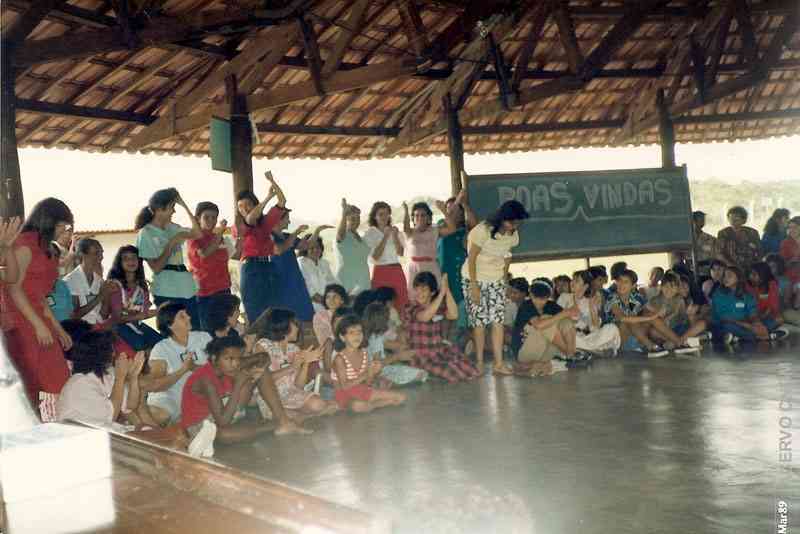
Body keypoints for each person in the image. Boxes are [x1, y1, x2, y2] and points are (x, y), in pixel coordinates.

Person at [180, 336, 310, 458]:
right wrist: (238, 383)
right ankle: (276, 424)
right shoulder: (205, 379)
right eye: (229, 359)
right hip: (201, 425)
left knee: (262, 372)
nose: (235, 364)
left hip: (222, 410)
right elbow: (222, 421)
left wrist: (249, 373)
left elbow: (263, 357)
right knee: (223, 434)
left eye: (238, 358)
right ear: (214, 359)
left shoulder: (230, 364)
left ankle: (284, 422)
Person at [6, 198, 74, 420]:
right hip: (23, 321)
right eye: (62, 226)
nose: (65, 231)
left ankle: (58, 424)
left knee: (59, 377)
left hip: (38, 319)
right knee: (39, 382)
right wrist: (38, 325)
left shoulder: (46, 249)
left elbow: (41, 297)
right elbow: (15, 290)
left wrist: (57, 328)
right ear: (49, 221)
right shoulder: (24, 244)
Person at [462, 200, 530, 375]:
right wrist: (474, 286)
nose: (514, 226)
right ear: (501, 218)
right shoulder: (482, 231)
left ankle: (498, 364)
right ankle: (478, 362)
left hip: (496, 280)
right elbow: (472, 258)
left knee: (497, 321)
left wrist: (503, 281)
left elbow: (507, 256)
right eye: (511, 222)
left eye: (517, 222)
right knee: (479, 322)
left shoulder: (513, 234)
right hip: (474, 277)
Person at [249, 308, 338, 418]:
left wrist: (306, 362)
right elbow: (262, 378)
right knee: (291, 415)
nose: (298, 328)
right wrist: (292, 367)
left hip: (291, 393)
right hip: (271, 398)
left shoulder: (294, 349)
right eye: (295, 324)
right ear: (284, 325)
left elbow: (298, 386)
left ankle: (303, 416)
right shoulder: (263, 345)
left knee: (318, 404)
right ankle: (303, 416)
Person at [135, 188, 203, 329]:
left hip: (187, 287)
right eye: (172, 207)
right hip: (166, 290)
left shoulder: (173, 227)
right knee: (173, 334)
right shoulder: (145, 233)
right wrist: (172, 243)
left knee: (195, 330)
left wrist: (183, 204)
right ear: (160, 209)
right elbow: (156, 267)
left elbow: (198, 233)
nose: (174, 211)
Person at [140, 302, 211, 426]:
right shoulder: (161, 348)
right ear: (170, 325)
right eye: (182, 316)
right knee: (160, 416)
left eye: (186, 314)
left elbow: (218, 368)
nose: (189, 317)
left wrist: (194, 367)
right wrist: (183, 370)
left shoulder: (204, 338)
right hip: (170, 398)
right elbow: (156, 385)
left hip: (201, 395)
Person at [57, 331, 145, 428]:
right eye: (111, 350)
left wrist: (134, 377)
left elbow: (130, 405)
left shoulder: (107, 374)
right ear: (99, 354)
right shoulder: (80, 383)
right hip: (81, 436)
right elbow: (112, 415)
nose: (114, 354)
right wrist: (120, 378)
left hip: (105, 432)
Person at [404, 272, 480, 383]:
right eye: (417, 289)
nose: (419, 293)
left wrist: (447, 290)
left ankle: (435, 373)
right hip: (422, 356)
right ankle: (429, 375)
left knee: (473, 371)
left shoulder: (437, 307)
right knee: (454, 375)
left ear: (432, 292)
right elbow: (424, 317)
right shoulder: (411, 307)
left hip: (440, 351)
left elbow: (454, 314)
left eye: (423, 290)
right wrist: (441, 295)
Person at [234, 171, 286, 323]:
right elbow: (250, 218)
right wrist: (268, 197)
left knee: (274, 309)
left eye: (248, 204)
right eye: (240, 206)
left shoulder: (265, 223)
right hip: (251, 269)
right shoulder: (239, 226)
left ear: (255, 204)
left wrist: (273, 181)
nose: (245, 209)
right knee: (255, 311)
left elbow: (282, 201)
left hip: (268, 266)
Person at [331, 314, 406, 413]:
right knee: (358, 405)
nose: (357, 336)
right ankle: (377, 404)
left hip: (360, 390)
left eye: (359, 332)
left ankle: (372, 404)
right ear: (342, 337)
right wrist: (367, 374)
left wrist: (373, 372)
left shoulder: (364, 353)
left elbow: (368, 383)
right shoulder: (339, 359)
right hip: (344, 394)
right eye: (351, 333)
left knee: (401, 397)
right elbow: (345, 386)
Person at [187, 201, 237, 330]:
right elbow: (204, 253)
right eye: (206, 217)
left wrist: (241, 236)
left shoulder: (220, 238)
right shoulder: (194, 237)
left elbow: (234, 255)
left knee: (226, 328)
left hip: (224, 288)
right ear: (198, 218)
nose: (211, 220)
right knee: (209, 331)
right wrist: (220, 232)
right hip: (205, 292)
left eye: (214, 217)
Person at [514, 279, 580, 377]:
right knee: (546, 319)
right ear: (531, 295)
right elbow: (539, 325)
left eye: (543, 299)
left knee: (566, 322)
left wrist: (574, 306)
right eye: (536, 298)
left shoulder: (551, 305)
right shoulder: (526, 305)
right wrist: (564, 313)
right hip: (524, 351)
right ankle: (569, 354)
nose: (539, 302)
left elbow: (573, 319)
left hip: (544, 352)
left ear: (548, 297)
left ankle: (570, 354)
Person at [104, 245, 162, 351]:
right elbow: (117, 318)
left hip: (137, 325)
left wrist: (159, 311)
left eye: (134, 258)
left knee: (161, 344)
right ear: (119, 263)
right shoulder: (115, 285)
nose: (131, 261)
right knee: (140, 345)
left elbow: (142, 314)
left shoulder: (142, 287)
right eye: (126, 258)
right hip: (117, 327)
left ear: (139, 261)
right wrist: (141, 315)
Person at [436, 188, 478, 333]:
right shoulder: (442, 224)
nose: (451, 212)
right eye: (448, 209)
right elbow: (450, 219)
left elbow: (474, 224)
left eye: (455, 209)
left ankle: (464, 337)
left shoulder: (465, 228)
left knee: (464, 306)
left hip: (461, 272)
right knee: (446, 307)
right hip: (445, 271)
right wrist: (457, 200)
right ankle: (446, 340)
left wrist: (464, 204)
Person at [603, 269, 669, 357]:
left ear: (633, 286)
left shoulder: (636, 297)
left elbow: (656, 312)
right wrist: (650, 317)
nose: (621, 284)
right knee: (629, 319)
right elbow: (622, 318)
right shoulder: (612, 298)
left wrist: (660, 312)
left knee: (648, 316)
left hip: (637, 337)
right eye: (619, 281)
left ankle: (679, 342)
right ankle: (651, 346)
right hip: (619, 341)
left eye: (625, 282)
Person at [402, 200, 458, 302]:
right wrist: (406, 211)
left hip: (431, 267)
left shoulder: (434, 230)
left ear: (428, 217)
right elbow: (405, 228)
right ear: (413, 219)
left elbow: (452, 229)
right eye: (416, 215)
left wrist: (444, 211)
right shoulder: (410, 232)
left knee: (434, 297)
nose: (419, 218)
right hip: (414, 269)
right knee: (414, 299)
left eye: (423, 215)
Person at [557, 270, 621, 356]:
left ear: (585, 286)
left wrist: (592, 306)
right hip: (572, 335)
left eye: (576, 280)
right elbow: (557, 318)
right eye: (572, 279)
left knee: (611, 328)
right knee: (571, 338)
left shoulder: (589, 301)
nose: (572, 282)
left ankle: (587, 350)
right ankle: (597, 350)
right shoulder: (564, 297)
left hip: (588, 336)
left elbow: (596, 327)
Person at [363, 301, 426, 387]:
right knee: (421, 374)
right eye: (387, 319)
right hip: (376, 371)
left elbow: (390, 344)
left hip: (369, 370)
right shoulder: (375, 337)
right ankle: (382, 382)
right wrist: (397, 356)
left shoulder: (368, 333)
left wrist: (403, 348)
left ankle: (381, 381)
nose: (388, 321)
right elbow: (376, 366)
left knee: (410, 369)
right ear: (382, 321)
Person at [644, 272, 705, 355]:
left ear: (677, 289)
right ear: (661, 287)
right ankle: (681, 343)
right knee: (652, 331)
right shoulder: (655, 300)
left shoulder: (679, 300)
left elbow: (681, 317)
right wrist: (657, 313)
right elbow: (647, 311)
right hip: (665, 331)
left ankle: (678, 341)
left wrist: (689, 314)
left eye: (673, 287)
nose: (669, 289)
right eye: (666, 286)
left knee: (702, 323)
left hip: (679, 328)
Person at [364, 201, 407, 309]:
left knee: (401, 301)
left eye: (387, 213)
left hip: (396, 270)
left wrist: (395, 236)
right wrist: (385, 236)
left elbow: (401, 253)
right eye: (380, 214)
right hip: (380, 271)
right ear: (374, 216)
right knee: (380, 305)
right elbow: (375, 257)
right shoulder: (370, 233)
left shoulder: (395, 230)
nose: (384, 217)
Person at [711, 266, 770, 344]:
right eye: (724, 276)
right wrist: (748, 326)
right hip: (725, 325)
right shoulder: (718, 294)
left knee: (770, 321)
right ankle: (760, 336)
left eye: (729, 276)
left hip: (745, 324)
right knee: (728, 327)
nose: (725, 278)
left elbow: (753, 314)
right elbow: (724, 318)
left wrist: (757, 323)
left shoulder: (747, 295)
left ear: (738, 278)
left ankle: (741, 337)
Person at [64, 238, 115, 326]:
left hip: (97, 327)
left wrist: (107, 296)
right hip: (78, 329)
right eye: (96, 253)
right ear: (82, 255)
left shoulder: (99, 281)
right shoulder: (70, 281)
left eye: (101, 253)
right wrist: (100, 296)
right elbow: (74, 316)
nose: (101, 257)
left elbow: (103, 315)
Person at [335, 199, 371, 296]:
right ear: (345, 220)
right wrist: (344, 212)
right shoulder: (343, 235)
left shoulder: (360, 237)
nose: (356, 221)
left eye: (358, 218)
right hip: (348, 283)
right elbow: (339, 234)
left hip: (364, 283)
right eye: (352, 219)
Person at [746, 262, 789, 340]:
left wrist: (762, 317)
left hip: (766, 317)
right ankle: (767, 335)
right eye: (750, 274)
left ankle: (758, 334)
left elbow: (772, 306)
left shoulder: (772, 284)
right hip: (752, 317)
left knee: (779, 320)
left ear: (763, 276)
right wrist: (757, 320)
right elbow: (750, 308)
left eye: (754, 274)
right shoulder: (748, 286)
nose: (750, 276)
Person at [298, 234, 339, 313]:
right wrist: (328, 303)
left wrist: (340, 296)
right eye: (311, 248)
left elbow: (332, 281)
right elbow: (308, 289)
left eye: (318, 247)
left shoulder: (324, 263)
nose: (315, 250)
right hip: (311, 307)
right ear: (305, 249)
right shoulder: (301, 263)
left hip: (327, 305)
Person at [717, 206, 762, 272]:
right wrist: (731, 266)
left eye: (736, 219)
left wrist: (756, 266)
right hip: (730, 268)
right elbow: (719, 253)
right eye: (731, 218)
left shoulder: (752, 233)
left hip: (751, 268)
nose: (733, 221)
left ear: (744, 220)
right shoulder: (723, 233)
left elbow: (759, 251)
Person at [780, 216, 800, 291]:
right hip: (790, 276)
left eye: (795, 227)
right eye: (790, 228)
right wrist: (794, 259)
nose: (792, 230)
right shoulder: (785, 243)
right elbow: (782, 264)